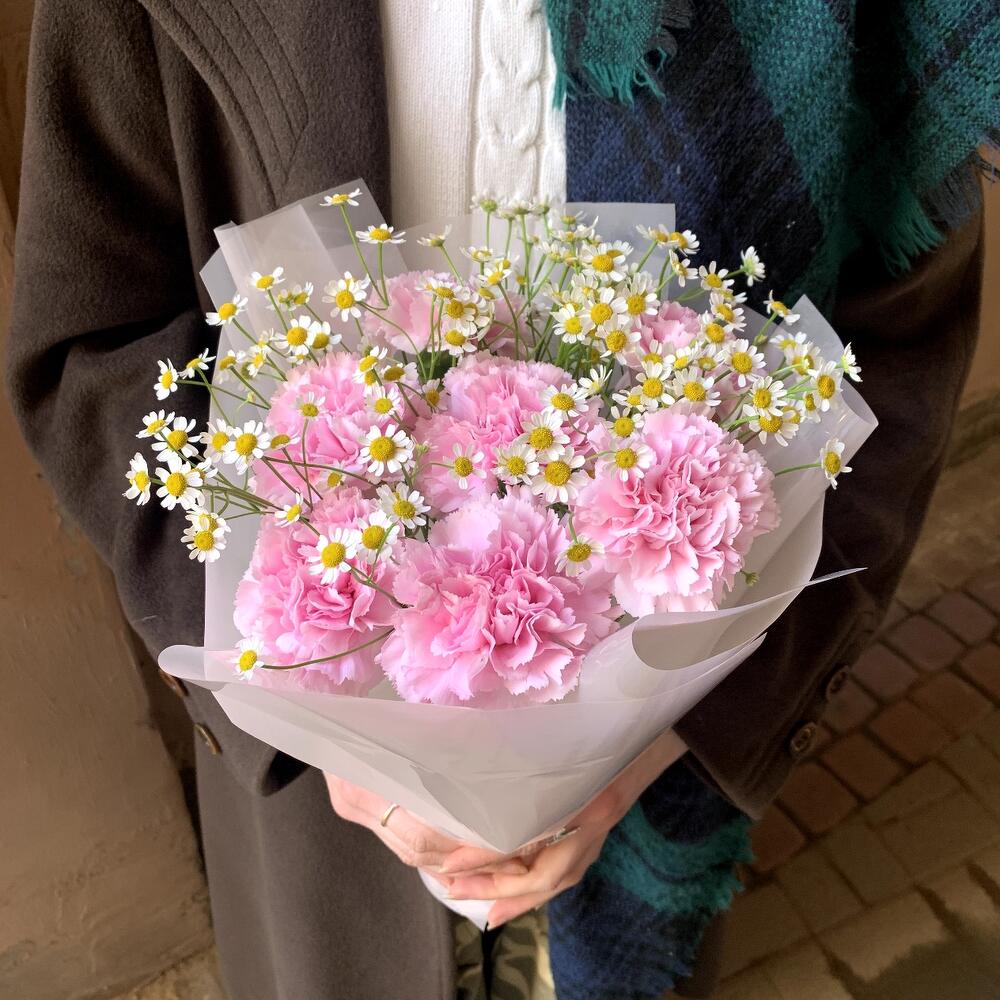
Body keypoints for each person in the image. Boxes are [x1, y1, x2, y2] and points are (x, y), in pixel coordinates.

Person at [6, 2, 992, 998]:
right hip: (317, 802)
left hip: (659, 766)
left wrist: (679, 727)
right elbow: (98, 340)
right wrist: (293, 687)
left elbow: (892, 342)